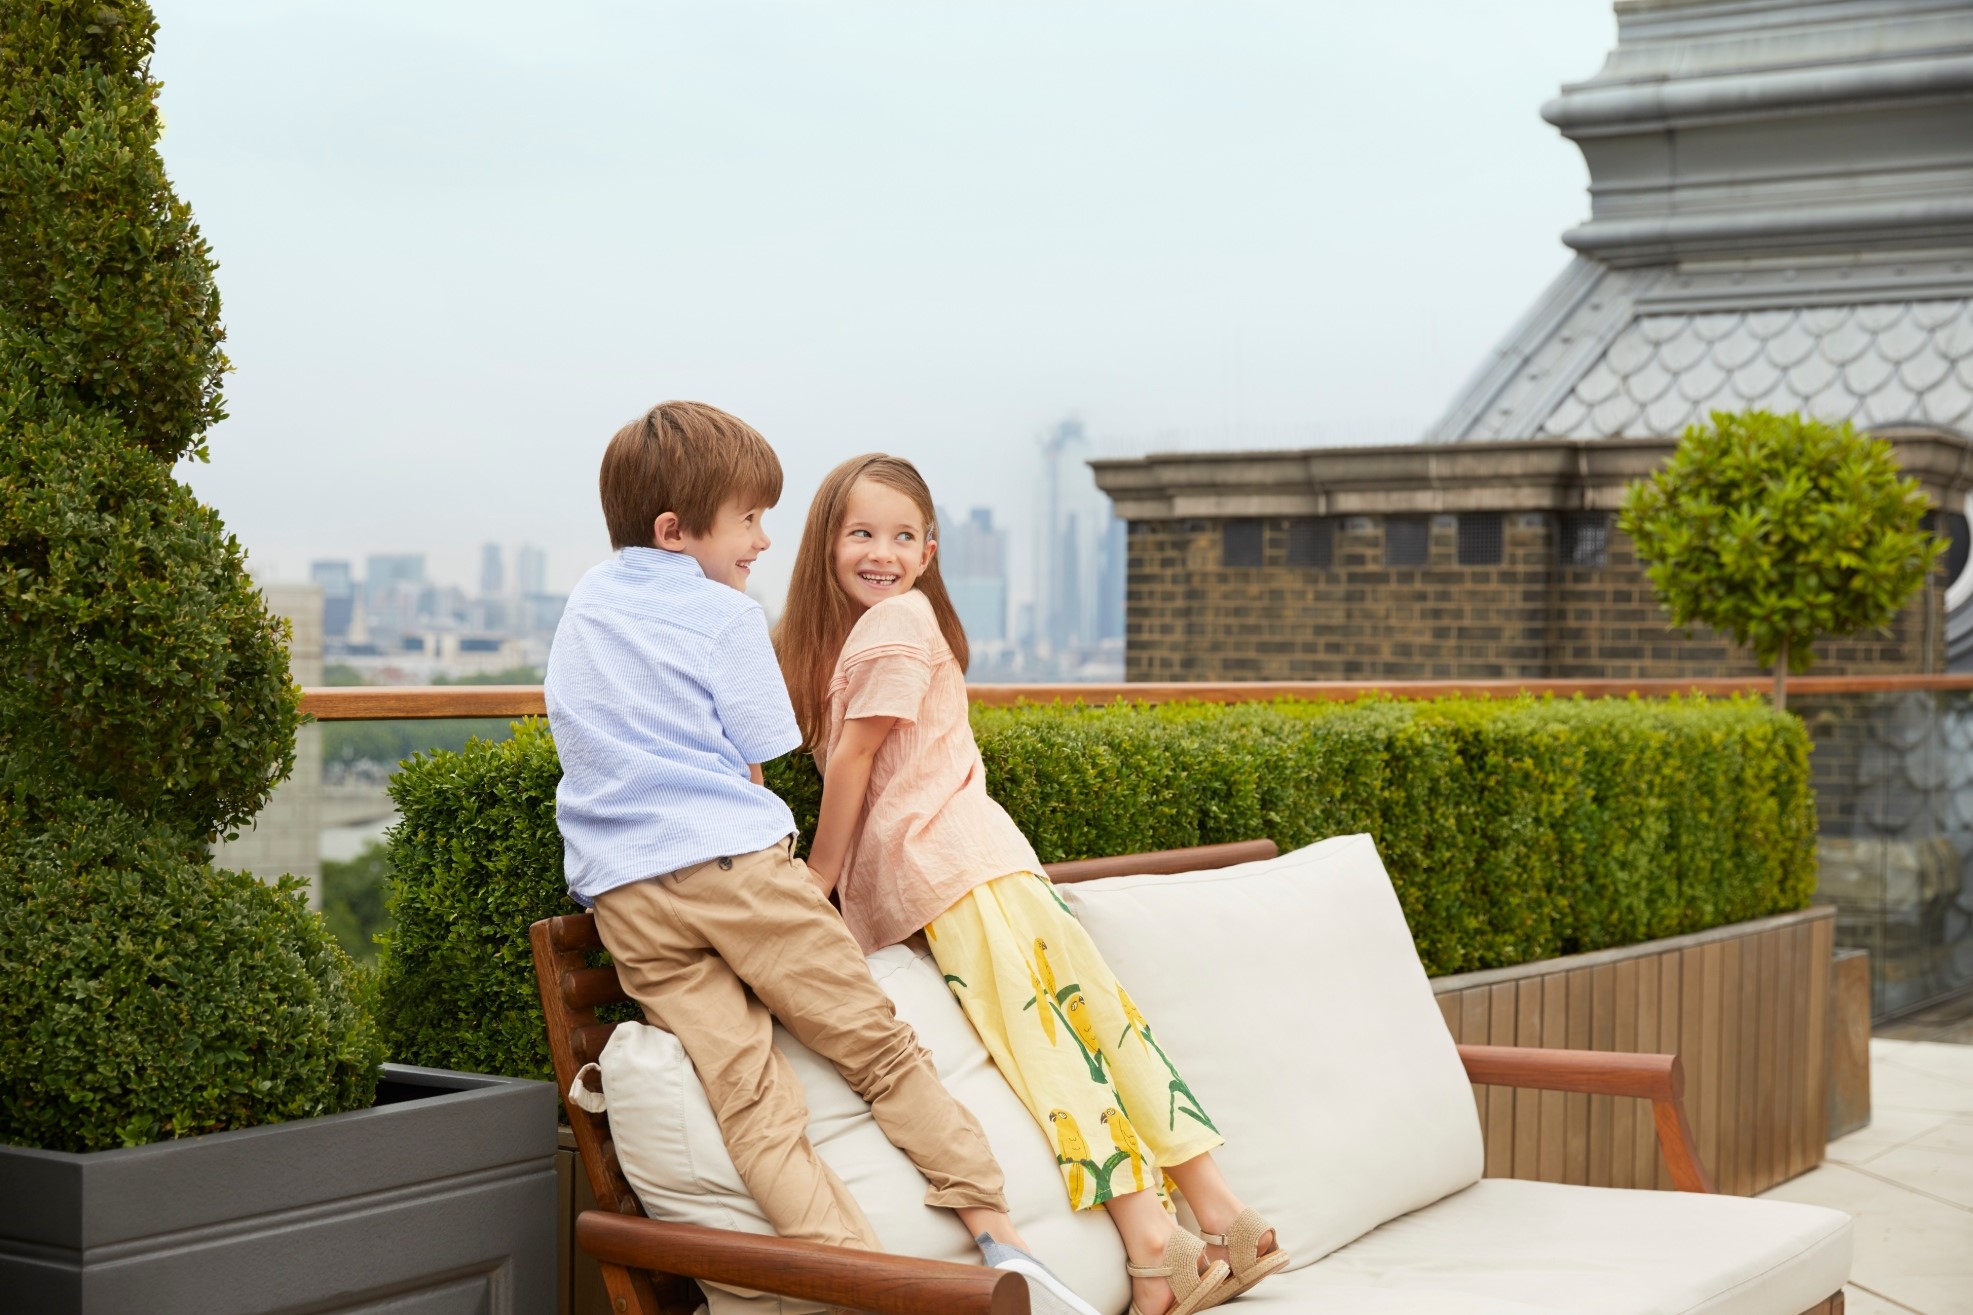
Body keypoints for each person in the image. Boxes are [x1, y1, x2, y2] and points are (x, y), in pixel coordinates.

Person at [545, 403, 1097, 1315]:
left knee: (748, 1099)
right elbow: (763, 747)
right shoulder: (722, 614)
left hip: (624, 900)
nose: (762, 540)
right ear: (676, 532)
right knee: (875, 1047)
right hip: (736, 875)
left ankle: (858, 1285)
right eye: (749, 518)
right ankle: (1001, 1236)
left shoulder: (586, 602)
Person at [776, 454, 1291, 1315]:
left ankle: (1155, 1245)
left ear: (930, 549)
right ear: (826, 541)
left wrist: (818, 876)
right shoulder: (903, 625)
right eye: (861, 533)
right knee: (1102, 1027)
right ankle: (1223, 1211)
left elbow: (857, 759)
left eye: (902, 536)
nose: (882, 552)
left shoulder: (890, 624)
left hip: (948, 877)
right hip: (993, 862)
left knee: (1048, 1054)